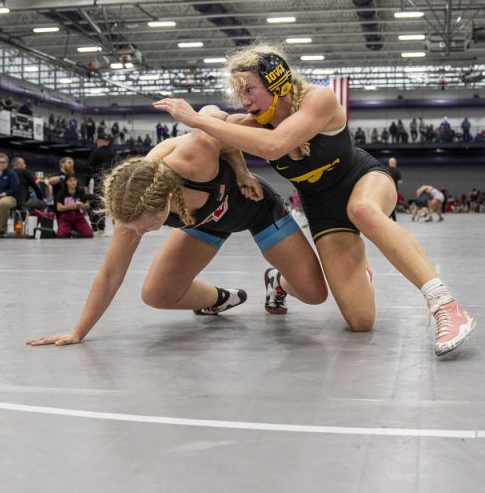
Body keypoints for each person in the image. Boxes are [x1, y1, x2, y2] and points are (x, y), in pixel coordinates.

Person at [155, 46, 474, 356]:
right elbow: (217, 129)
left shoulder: (318, 99)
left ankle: (444, 303)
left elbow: (274, 145)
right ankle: (279, 281)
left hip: (363, 180)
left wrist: (196, 119)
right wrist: (240, 172)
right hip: (322, 209)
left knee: (361, 210)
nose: (245, 100)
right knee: (361, 321)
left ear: (277, 83)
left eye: (250, 89)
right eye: (240, 93)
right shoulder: (252, 124)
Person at [27, 114, 328, 346]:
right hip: (207, 225)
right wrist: (78, 332)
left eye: (145, 224)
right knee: (157, 293)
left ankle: (277, 283)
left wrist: (240, 169)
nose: (140, 231)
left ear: (169, 197)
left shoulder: (191, 158)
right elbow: (110, 274)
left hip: (256, 207)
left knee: (314, 294)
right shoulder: (131, 205)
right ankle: (218, 299)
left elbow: (220, 121)